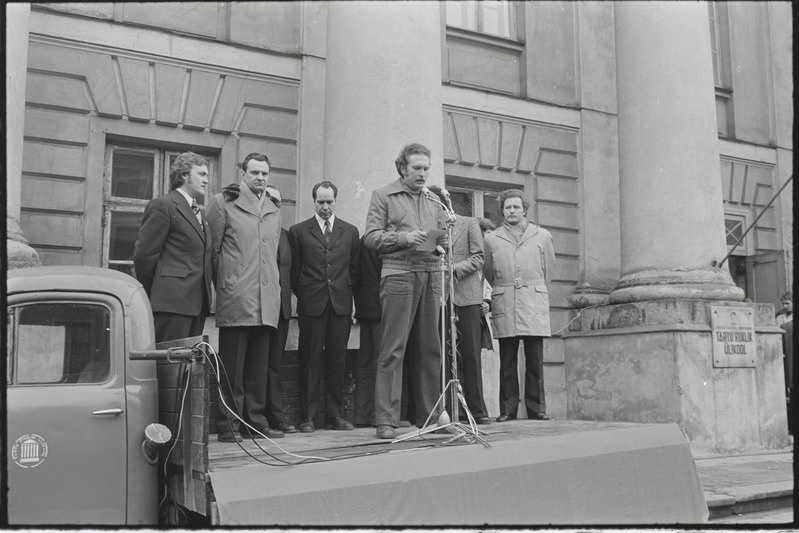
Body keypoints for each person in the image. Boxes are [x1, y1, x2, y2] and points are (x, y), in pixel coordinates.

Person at [364, 143, 448, 439]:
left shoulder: (434, 200)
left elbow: (440, 239)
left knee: (431, 349)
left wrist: (430, 242)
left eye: (426, 168)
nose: (423, 173)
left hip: (430, 275)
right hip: (398, 275)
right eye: (417, 168)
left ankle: (429, 416)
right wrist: (404, 238)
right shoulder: (383, 195)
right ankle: (386, 420)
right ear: (402, 168)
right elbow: (371, 238)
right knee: (393, 350)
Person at [206, 153, 283, 443]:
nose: (260, 178)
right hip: (237, 296)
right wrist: (226, 283)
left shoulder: (274, 207)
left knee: (258, 367)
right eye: (255, 172)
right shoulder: (222, 203)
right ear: (243, 173)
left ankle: (255, 421)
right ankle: (228, 425)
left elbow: (273, 253)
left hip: (267, 299)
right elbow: (212, 251)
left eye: (265, 173)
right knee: (233, 368)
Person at [289, 181, 361, 432]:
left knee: (337, 361)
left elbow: (354, 270)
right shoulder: (298, 231)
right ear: (314, 201)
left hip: (340, 306)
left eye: (329, 202)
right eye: (321, 202)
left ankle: (334, 415)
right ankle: (307, 417)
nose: (325, 207)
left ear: (335, 201)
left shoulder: (350, 231)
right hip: (312, 305)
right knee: (310, 360)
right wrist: (308, 294)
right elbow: (294, 273)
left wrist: (345, 296)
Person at [483, 189, 556, 422]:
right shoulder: (491, 238)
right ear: (502, 211)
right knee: (508, 359)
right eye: (507, 207)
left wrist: (532, 288)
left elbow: (549, 270)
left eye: (516, 207)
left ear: (524, 210)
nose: (512, 211)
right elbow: (488, 271)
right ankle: (508, 409)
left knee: (534, 358)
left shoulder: (542, 235)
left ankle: (537, 408)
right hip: (505, 298)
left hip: (533, 298)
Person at [134, 151, 213, 343]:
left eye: (207, 176)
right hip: (172, 304)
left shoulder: (197, 212)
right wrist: (161, 292)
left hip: (196, 304)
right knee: (169, 368)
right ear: (184, 175)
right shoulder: (163, 205)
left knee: (187, 370)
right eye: (202, 174)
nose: (206, 181)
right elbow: (143, 256)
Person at [427, 186, 490, 425]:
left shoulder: (469, 222)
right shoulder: (431, 230)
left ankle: (478, 410)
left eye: (439, 203)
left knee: (471, 355)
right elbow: (426, 261)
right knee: (443, 355)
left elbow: (479, 257)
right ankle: (451, 411)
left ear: (447, 202)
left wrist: (454, 269)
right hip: (440, 299)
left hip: (468, 297)